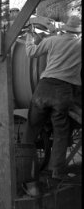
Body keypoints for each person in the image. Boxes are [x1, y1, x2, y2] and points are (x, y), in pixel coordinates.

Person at [24, 15, 82, 182]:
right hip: (63, 93)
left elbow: (30, 52)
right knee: (61, 133)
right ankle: (56, 172)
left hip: (43, 88)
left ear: (65, 29)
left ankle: (26, 171)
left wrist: (30, 37)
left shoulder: (53, 40)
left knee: (31, 129)